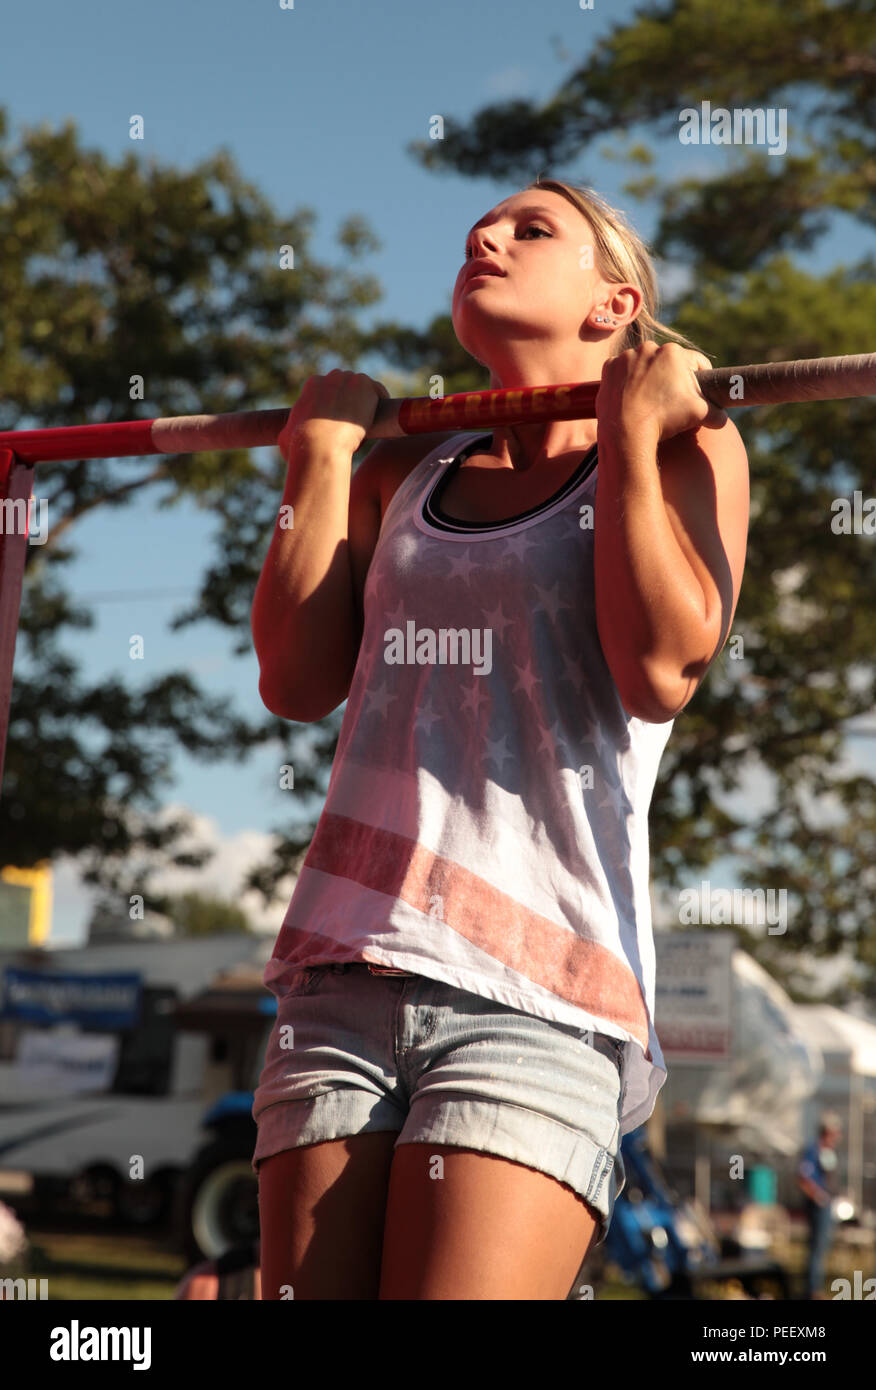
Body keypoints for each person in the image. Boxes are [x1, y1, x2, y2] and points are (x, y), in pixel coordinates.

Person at [250, 176, 750, 1300]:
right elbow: (293, 678)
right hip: (344, 967)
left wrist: (627, 429)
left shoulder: (685, 439)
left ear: (615, 303)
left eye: (533, 229)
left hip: (539, 991)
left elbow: (661, 667)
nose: (486, 235)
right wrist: (313, 464)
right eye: (485, 223)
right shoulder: (398, 468)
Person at [797, 1112, 843, 1299]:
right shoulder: (812, 1151)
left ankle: (817, 1285)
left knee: (823, 1246)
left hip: (828, 1204)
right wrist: (818, 1195)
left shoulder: (828, 1152)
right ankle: (813, 1289)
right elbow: (803, 1178)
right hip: (818, 1206)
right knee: (816, 1248)